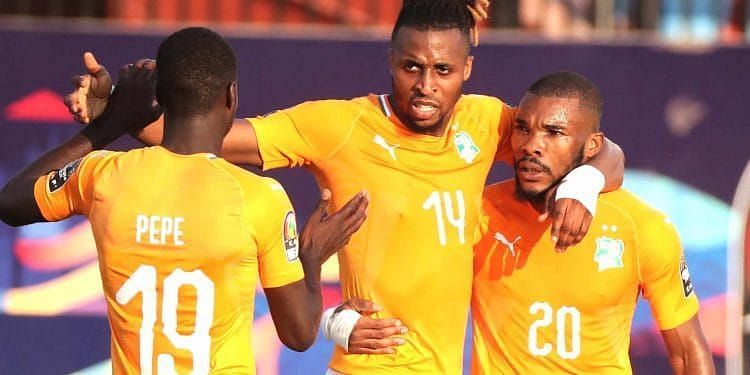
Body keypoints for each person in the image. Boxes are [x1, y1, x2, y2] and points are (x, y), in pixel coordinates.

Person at [64, 1, 624, 373]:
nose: (425, 86)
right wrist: (112, 114)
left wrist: (584, 182)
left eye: (442, 71)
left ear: (468, 69)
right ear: (389, 61)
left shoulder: (488, 122)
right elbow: (198, 137)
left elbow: (603, 151)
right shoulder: (336, 127)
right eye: (410, 68)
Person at [0, 27, 368, 374]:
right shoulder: (259, 198)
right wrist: (312, 257)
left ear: (159, 98)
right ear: (230, 96)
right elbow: (299, 334)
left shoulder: (103, 176)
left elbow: (11, 202)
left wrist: (111, 122)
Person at [471, 71, 715, 374]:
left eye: (554, 132)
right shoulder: (478, 212)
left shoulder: (642, 228)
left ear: (592, 146)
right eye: (522, 128)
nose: (532, 145)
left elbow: (688, 352)